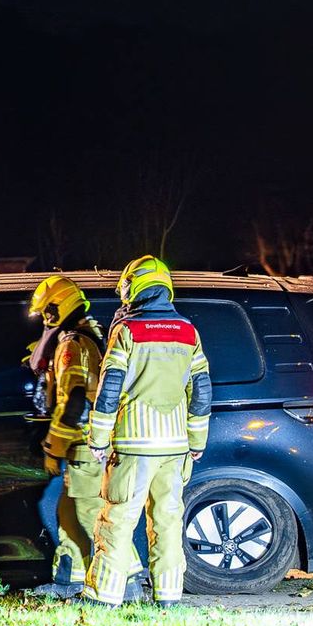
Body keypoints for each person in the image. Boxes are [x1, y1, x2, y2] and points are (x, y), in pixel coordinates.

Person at [81, 256, 212, 607]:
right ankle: (169, 597)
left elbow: (110, 389)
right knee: (168, 521)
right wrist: (197, 442)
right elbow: (200, 390)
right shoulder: (189, 332)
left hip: (133, 444)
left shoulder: (128, 331)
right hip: (175, 447)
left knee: (118, 520)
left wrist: (97, 439)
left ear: (134, 286)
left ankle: (102, 597)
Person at [26, 275, 138, 598]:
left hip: (84, 443)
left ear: (54, 310)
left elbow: (72, 399)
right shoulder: (85, 338)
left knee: (91, 512)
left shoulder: (71, 346)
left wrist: (53, 448)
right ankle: (70, 577)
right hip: (85, 444)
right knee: (68, 511)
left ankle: (127, 578)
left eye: (45, 315)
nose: (43, 323)